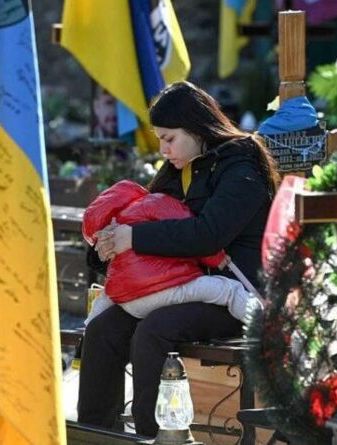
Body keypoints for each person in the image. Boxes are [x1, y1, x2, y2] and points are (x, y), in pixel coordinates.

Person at [77, 81, 279, 436]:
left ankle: (153, 437)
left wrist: (132, 238)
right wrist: (104, 247)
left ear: (198, 128)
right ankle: (95, 437)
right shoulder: (178, 171)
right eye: (159, 139)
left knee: (153, 331)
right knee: (101, 330)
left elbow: (208, 235)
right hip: (174, 288)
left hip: (234, 298)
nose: (163, 149)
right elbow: (139, 220)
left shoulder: (242, 167)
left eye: (169, 138)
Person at [81, 179, 262, 324]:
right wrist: (216, 257)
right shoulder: (152, 202)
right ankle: (264, 329)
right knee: (229, 290)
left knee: (103, 300)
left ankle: (84, 341)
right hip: (163, 289)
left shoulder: (112, 228)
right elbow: (192, 232)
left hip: (128, 302)